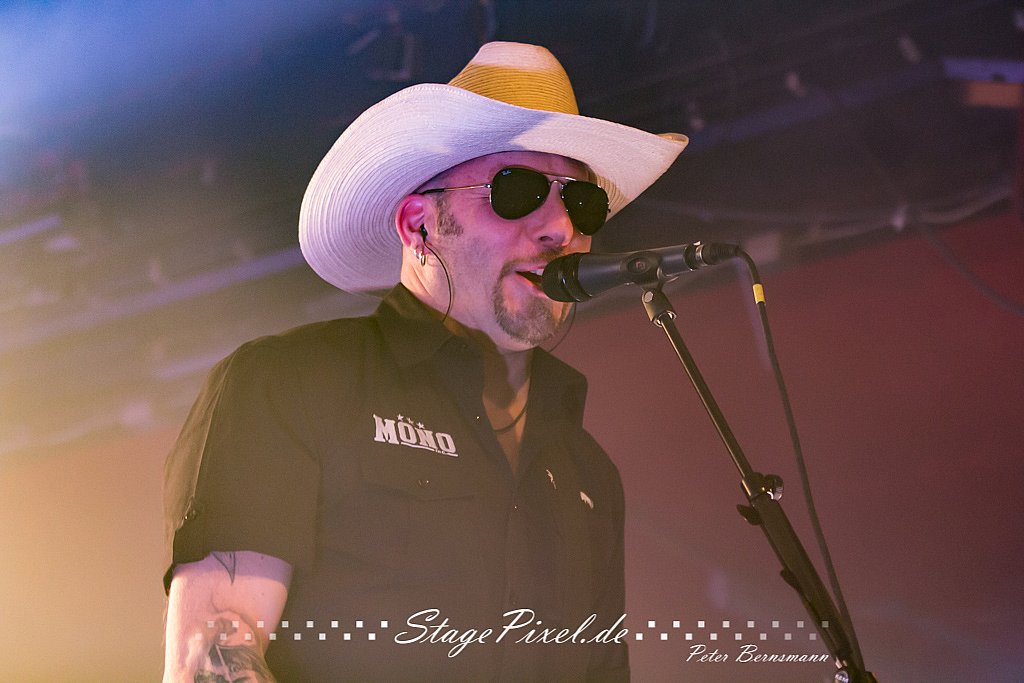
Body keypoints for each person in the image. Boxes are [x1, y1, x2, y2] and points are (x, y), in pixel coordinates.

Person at [162, 41, 687, 682]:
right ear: (418, 225)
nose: (559, 228)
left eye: (582, 204)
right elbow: (213, 658)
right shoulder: (291, 382)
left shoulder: (586, 471)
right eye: (517, 190)